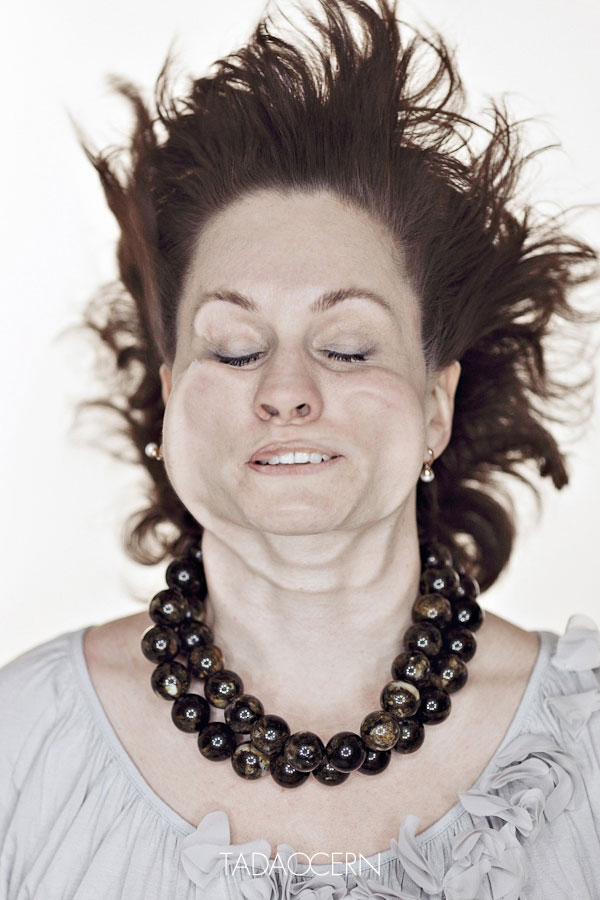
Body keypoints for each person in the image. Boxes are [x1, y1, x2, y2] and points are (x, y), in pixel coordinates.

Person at [1, 0, 599, 897]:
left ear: (435, 408)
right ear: (170, 401)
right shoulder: (19, 743)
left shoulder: (588, 752)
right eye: (235, 348)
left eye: (348, 348)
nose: (285, 390)